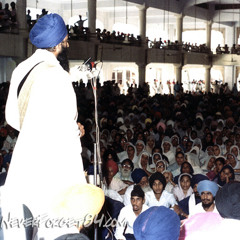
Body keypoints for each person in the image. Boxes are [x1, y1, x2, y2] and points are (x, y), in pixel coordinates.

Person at [2, 14, 87, 239]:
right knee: (55, 232)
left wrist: (33, 128)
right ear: (59, 43)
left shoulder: (20, 69)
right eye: (66, 40)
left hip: (23, 163)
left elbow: (11, 118)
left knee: (20, 230)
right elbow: (66, 133)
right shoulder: (59, 76)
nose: (67, 44)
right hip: (53, 168)